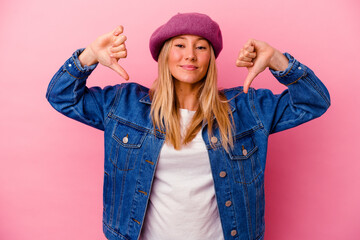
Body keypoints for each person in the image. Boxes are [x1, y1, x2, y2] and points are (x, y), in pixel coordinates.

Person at [46, 12, 330, 240]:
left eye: (201, 47)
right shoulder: (124, 105)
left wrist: (278, 60)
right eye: (180, 45)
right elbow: (60, 96)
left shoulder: (246, 109)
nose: (190, 55)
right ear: (164, 55)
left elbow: (314, 102)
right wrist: (88, 56)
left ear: (211, 58)